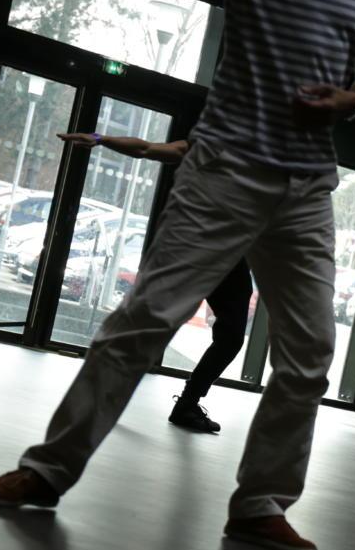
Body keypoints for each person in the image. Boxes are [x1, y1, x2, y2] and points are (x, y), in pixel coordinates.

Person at [0, 0, 355, 550]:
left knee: (311, 351)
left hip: (307, 187)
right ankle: (48, 470)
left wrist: (353, 99)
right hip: (224, 168)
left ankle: (260, 507)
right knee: (145, 317)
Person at [56, 132, 251, 434]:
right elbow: (147, 148)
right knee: (154, 326)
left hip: (231, 259)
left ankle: (187, 404)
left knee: (232, 337)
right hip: (195, 250)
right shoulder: (210, 148)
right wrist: (100, 138)